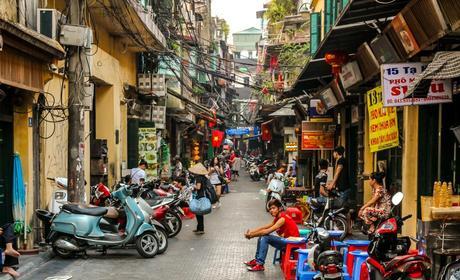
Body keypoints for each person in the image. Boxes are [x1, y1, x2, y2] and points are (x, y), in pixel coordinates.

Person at [244, 199, 300, 272]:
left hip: (291, 244)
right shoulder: (278, 217)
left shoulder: (282, 218)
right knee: (262, 236)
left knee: (265, 237)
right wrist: (251, 232)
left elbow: (267, 231)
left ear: (279, 208)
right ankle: (257, 260)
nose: (271, 210)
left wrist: (251, 236)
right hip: (287, 242)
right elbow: (265, 227)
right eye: (270, 209)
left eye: (273, 208)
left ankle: (260, 264)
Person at [188, 163, 210, 235]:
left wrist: (193, 186)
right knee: (199, 213)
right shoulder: (203, 177)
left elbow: (198, 187)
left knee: (199, 213)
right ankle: (199, 228)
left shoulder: (198, 178)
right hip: (202, 195)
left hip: (199, 196)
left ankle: (201, 229)